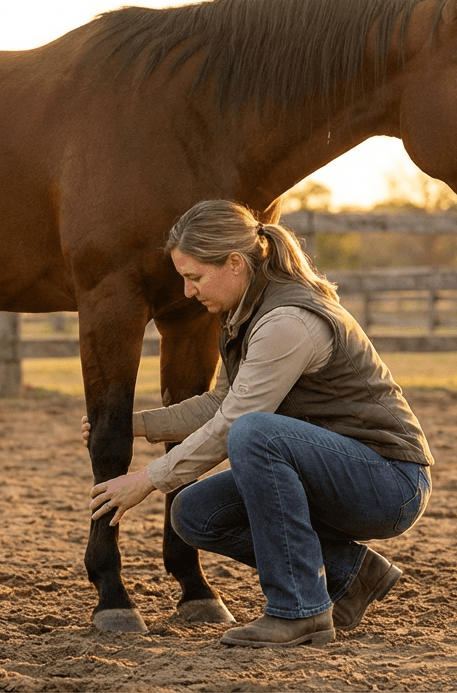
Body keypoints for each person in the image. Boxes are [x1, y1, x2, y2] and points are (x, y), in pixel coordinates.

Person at [85, 199, 433, 647]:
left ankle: (298, 611)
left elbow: (235, 421)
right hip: (332, 471)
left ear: (233, 263)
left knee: (252, 432)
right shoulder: (241, 312)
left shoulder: (286, 320)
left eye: (194, 277)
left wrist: (148, 479)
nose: (188, 292)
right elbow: (220, 403)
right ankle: (350, 573)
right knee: (194, 513)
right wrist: (130, 425)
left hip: (389, 483)